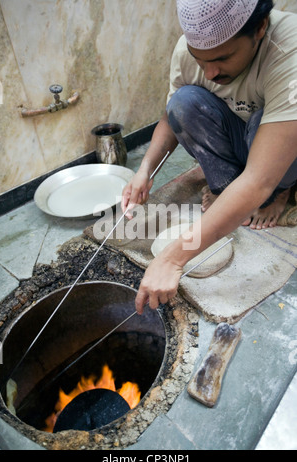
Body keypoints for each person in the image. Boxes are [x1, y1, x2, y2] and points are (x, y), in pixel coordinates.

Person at [121, 0, 297, 315]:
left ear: (259, 29)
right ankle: (227, 190)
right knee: (184, 102)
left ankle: (281, 191)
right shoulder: (189, 50)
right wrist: (144, 170)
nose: (211, 73)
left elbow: (258, 178)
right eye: (200, 61)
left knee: (262, 146)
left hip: (280, 147)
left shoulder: (290, 51)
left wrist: (173, 258)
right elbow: (171, 116)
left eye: (222, 58)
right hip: (241, 138)